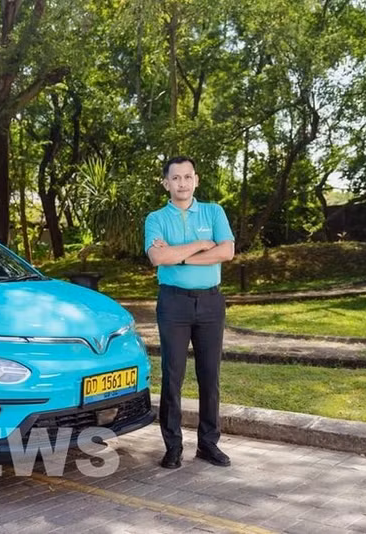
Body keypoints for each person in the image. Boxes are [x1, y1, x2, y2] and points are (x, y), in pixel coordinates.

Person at [144, 156, 235, 469]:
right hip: (174, 304)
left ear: (196, 179)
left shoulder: (214, 211)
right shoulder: (155, 219)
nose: (182, 183)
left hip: (211, 303)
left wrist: (177, 256)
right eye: (175, 178)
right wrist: (199, 245)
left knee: (210, 377)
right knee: (173, 376)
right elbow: (157, 257)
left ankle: (209, 445)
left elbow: (226, 251)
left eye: (187, 177)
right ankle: (173, 447)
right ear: (166, 183)